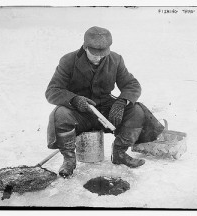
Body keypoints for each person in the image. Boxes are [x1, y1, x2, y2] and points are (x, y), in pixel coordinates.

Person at [46, 26, 164, 178]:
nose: (99, 58)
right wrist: (74, 100)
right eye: (95, 54)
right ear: (85, 47)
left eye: (103, 54)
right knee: (60, 114)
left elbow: (132, 85)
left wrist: (121, 102)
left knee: (137, 110)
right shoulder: (68, 61)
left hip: (107, 110)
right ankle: (69, 160)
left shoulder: (116, 59)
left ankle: (119, 153)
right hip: (80, 113)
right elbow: (52, 91)